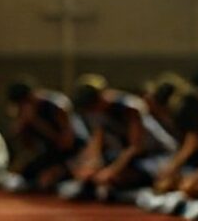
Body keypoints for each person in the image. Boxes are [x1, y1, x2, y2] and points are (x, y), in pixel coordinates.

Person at [64, 74, 176, 202]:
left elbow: (135, 147)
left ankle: (146, 194)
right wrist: (89, 166)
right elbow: (97, 142)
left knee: (116, 180)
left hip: (155, 155)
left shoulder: (130, 107)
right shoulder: (96, 112)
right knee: (92, 179)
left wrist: (111, 171)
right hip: (126, 156)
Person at [4, 80, 86, 191]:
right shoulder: (25, 111)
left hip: (74, 153)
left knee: (50, 180)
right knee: (26, 173)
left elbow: (66, 143)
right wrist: (23, 125)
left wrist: (36, 122)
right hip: (52, 152)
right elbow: (27, 145)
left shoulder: (56, 106)